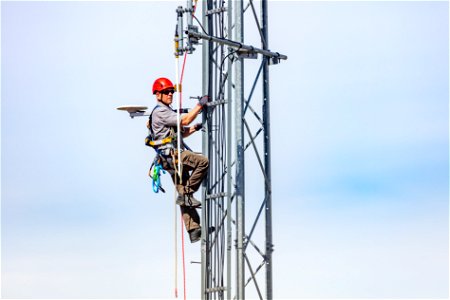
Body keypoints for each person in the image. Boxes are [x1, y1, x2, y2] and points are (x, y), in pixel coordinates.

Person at [146, 77, 209, 243]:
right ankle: (187, 194)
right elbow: (186, 119)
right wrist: (200, 105)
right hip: (173, 156)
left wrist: (196, 128)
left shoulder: (166, 112)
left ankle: (194, 230)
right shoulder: (161, 111)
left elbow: (183, 131)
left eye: (171, 92)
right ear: (157, 94)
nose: (170, 94)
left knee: (182, 191)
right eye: (166, 92)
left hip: (167, 158)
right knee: (203, 162)